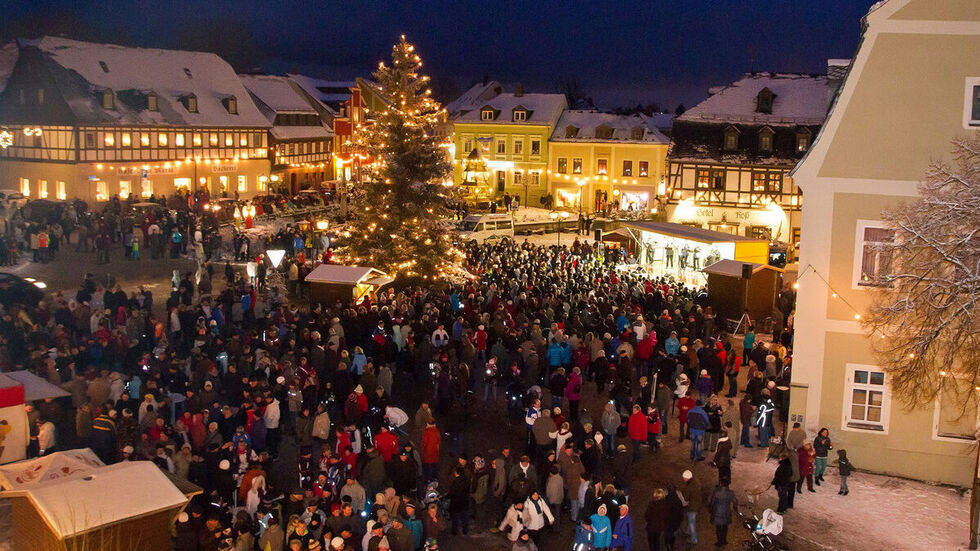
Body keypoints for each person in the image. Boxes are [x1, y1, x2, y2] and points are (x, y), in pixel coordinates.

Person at [707, 478, 737, 547]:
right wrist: (735, 507)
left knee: (718, 528)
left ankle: (719, 541)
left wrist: (710, 508)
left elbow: (712, 501)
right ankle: (724, 540)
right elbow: (735, 501)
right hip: (726, 511)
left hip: (717, 511)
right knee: (725, 527)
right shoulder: (730, 492)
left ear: (720, 484)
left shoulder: (716, 492)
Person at [679, 470, 701, 546]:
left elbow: (685, 499)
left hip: (692, 507)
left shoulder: (689, 487)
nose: (683, 479)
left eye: (683, 478)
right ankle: (688, 531)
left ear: (686, 478)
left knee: (692, 523)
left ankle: (694, 539)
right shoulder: (696, 481)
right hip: (697, 504)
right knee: (690, 520)